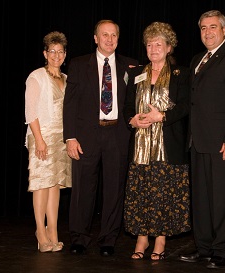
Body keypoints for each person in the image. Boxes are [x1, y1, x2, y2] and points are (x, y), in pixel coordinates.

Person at [178, 10, 225, 269]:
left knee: (222, 199)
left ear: (223, 30)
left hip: (223, 144)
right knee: (201, 200)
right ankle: (204, 248)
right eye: (203, 28)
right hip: (197, 142)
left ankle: (221, 250)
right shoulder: (198, 59)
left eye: (213, 27)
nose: (207, 32)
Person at [63, 19, 139, 256]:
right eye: (104, 35)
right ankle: (79, 237)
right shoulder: (77, 64)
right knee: (83, 189)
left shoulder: (132, 66)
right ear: (95, 38)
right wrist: (70, 137)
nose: (109, 39)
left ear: (118, 38)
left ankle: (108, 239)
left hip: (118, 134)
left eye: (113, 35)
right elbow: (70, 104)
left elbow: (135, 102)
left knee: (114, 189)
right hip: (86, 135)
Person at [123, 21, 191, 261]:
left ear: (169, 47)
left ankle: (160, 240)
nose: (153, 48)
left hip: (168, 146)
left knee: (163, 194)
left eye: (158, 44)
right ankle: (142, 238)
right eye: (150, 44)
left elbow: (185, 106)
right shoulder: (136, 73)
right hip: (140, 149)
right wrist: (132, 120)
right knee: (141, 193)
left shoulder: (181, 74)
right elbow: (127, 107)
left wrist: (161, 116)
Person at [24, 31, 72, 253]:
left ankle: (52, 231)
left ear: (64, 54)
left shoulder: (66, 79)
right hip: (42, 136)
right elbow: (30, 112)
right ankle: (40, 233)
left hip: (62, 138)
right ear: (45, 53)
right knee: (41, 185)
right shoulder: (36, 77)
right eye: (52, 51)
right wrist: (39, 140)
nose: (56, 55)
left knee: (55, 186)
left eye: (60, 51)